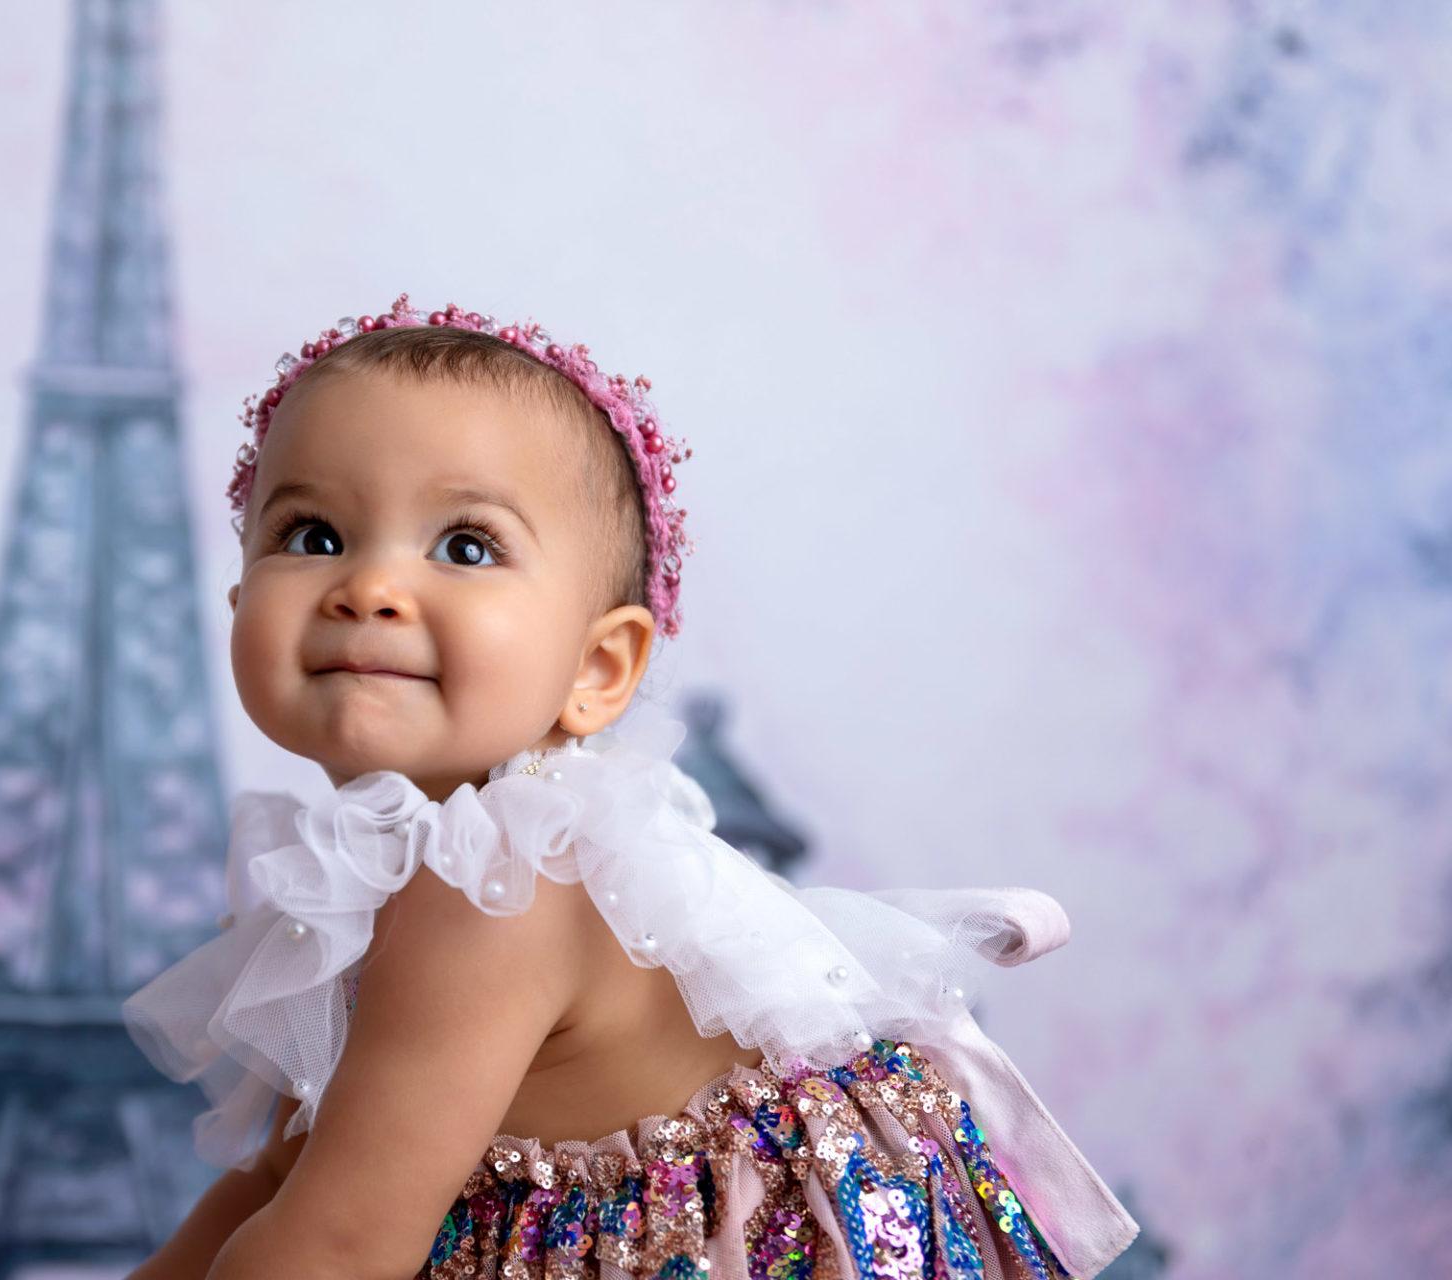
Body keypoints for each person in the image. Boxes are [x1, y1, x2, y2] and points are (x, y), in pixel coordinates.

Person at [121, 294, 1140, 1280]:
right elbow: (286, 1177)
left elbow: (341, 1248)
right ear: (238, 598)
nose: (369, 588)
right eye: (313, 536)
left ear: (597, 667)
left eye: (466, 546)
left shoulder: (499, 884)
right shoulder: (368, 875)